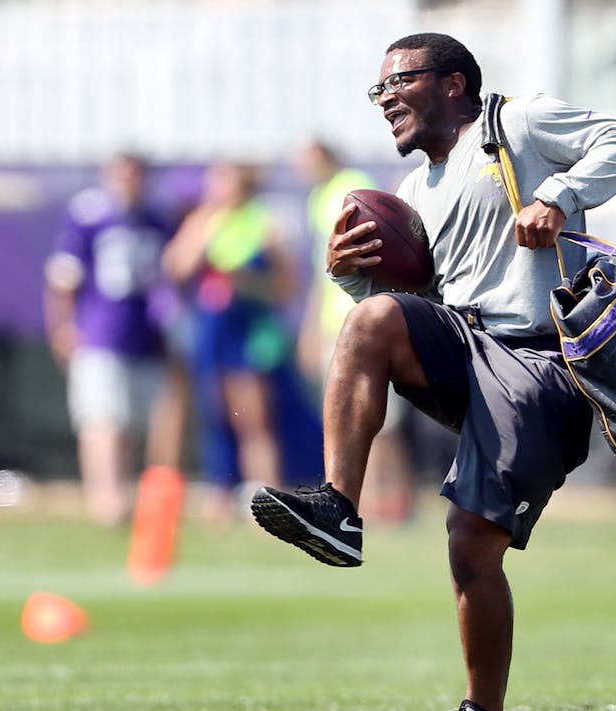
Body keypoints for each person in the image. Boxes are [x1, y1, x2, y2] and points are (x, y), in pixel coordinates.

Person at [250, 33, 616, 711]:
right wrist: (349, 273)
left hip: (538, 362)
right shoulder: (412, 193)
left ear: (453, 83)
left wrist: (556, 197)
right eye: (376, 92)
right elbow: (416, 297)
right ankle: (338, 508)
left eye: (397, 84)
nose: (385, 103)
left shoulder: (516, 122)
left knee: (471, 544)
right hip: (467, 349)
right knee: (371, 317)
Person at [44, 153, 184, 527]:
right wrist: (62, 326)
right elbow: (63, 277)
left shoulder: (156, 219)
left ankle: (123, 498)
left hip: (144, 337)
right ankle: (105, 501)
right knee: (101, 421)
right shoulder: (89, 216)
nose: (129, 182)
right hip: (98, 334)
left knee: (129, 427)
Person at [162, 162, 301, 520]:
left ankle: (267, 497)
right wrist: (204, 229)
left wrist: (247, 283)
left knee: (254, 418)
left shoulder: (263, 223)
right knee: (217, 415)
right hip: (213, 328)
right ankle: (219, 499)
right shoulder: (204, 220)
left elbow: (286, 288)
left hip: (249, 330)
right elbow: (177, 268)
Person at [293, 140, 416, 524]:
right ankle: (375, 501)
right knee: (357, 421)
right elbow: (325, 273)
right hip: (336, 322)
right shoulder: (320, 198)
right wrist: (310, 329)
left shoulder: (351, 190)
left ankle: (392, 502)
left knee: (379, 421)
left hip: (362, 320)